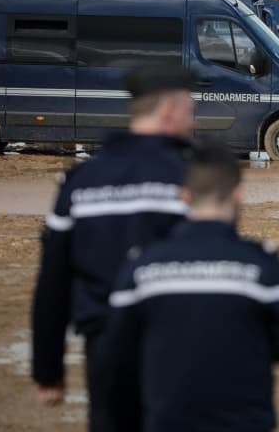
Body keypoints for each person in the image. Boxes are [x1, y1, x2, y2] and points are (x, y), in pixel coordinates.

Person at [104, 141, 279, 432]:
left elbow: (115, 357)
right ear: (238, 195)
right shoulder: (263, 267)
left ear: (184, 196)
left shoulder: (141, 267)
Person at [32, 65, 197, 432]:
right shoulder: (189, 180)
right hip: (174, 347)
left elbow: (53, 280)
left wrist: (48, 368)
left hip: (104, 348)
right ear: (168, 110)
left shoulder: (81, 181)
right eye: (191, 110)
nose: (195, 122)